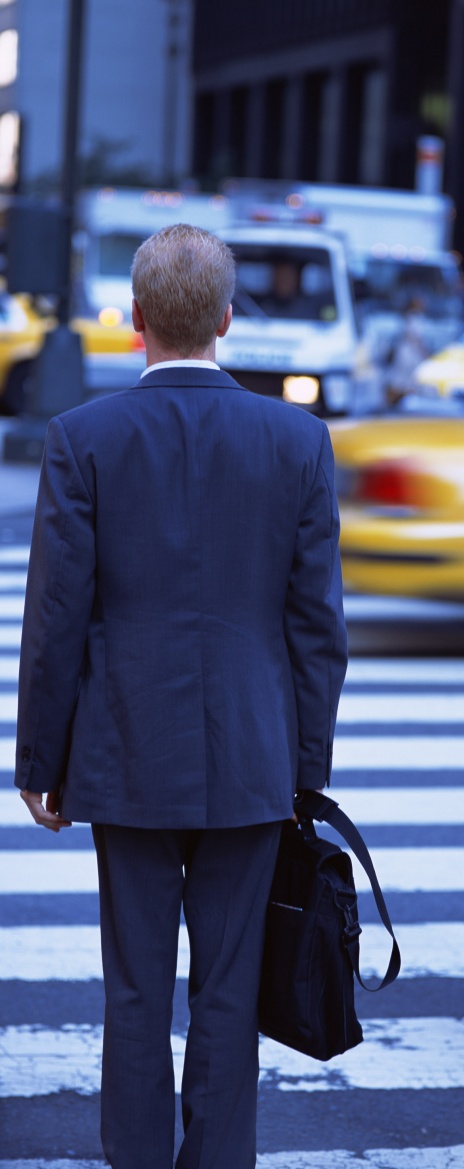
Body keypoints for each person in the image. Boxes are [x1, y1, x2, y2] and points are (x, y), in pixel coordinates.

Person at [14, 223, 348, 1169]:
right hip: (253, 760)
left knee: (133, 989)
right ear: (228, 319)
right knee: (230, 991)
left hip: (124, 752)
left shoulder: (84, 438)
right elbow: (317, 629)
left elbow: (57, 618)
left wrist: (41, 758)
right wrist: (306, 774)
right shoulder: (298, 441)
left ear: (135, 321)